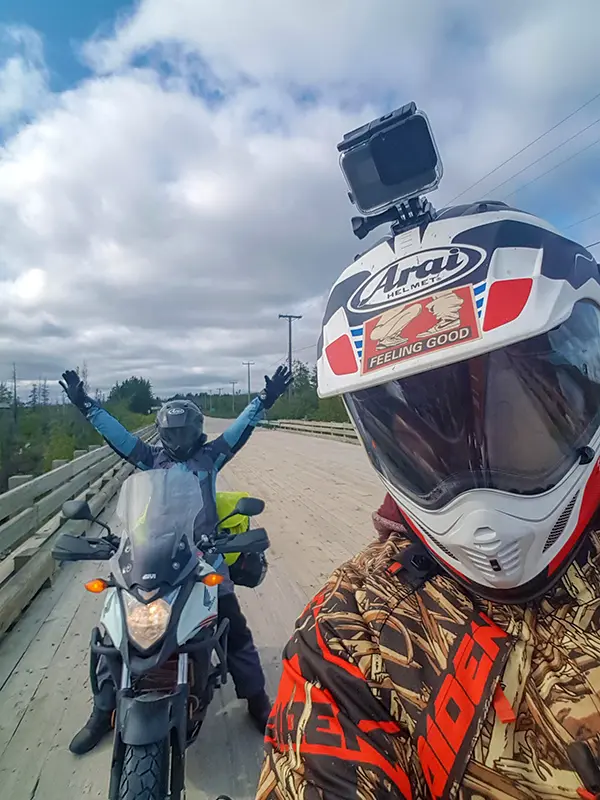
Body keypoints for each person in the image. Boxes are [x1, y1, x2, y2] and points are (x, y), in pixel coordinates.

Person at [256, 201, 600, 799]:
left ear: (577, 393)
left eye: (498, 413)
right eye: (413, 433)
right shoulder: (351, 632)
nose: (474, 487)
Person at [59, 365, 292, 755]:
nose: (178, 439)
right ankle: (102, 711)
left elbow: (239, 430)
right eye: (172, 432)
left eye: (184, 432)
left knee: (233, 629)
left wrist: (264, 400)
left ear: (197, 431)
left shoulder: (211, 457)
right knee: (111, 633)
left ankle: (257, 701)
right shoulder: (151, 459)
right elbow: (117, 435)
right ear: (163, 433)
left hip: (203, 559)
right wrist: (86, 404)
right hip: (154, 555)